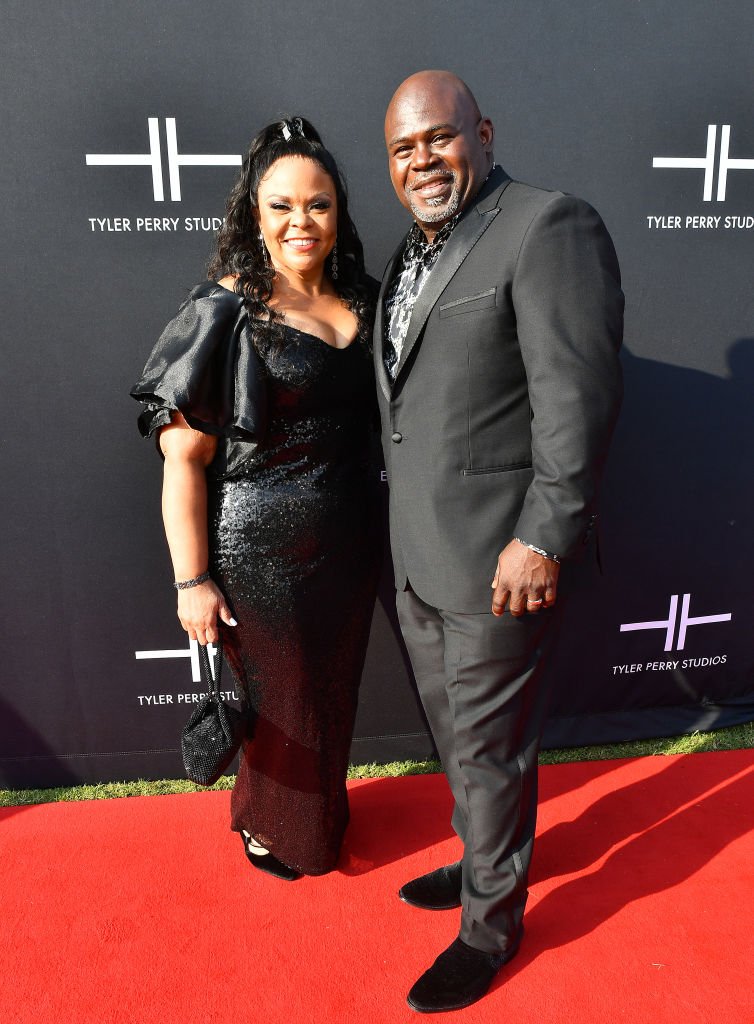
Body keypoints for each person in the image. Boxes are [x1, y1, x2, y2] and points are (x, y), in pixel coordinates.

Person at [375, 71, 624, 1012]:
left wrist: (543, 538)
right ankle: (487, 860)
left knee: (488, 748)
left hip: (499, 563)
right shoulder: (412, 254)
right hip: (421, 558)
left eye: (439, 138)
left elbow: (578, 402)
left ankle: (490, 926)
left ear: (481, 131)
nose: (423, 161)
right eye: (403, 149)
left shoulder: (545, 225)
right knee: (459, 741)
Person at [131, 117, 380, 880]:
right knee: (284, 704)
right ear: (253, 214)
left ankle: (316, 816)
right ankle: (270, 826)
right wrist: (192, 579)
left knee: (332, 693)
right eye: (281, 205)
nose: (300, 222)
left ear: (339, 212)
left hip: (351, 544)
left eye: (318, 204)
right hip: (259, 551)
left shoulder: (366, 300)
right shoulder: (228, 309)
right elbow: (183, 458)